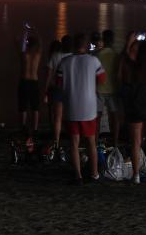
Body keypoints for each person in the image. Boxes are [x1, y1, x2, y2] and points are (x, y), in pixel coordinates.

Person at [55, 33, 106, 183]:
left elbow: (58, 84)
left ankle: (78, 175)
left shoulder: (64, 62)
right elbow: (102, 79)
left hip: (71, 107)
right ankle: (94, 173)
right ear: (87, 45)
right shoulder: (94, 61)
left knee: (74, 143)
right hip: (89, 108)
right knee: (91, 142)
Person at [122, 38, 146, 183]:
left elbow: (126, 56)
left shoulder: (134, 67)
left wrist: (130, 41)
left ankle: (136, 175)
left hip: (135, 104)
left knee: (136, 143)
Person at [45, 35, 72, 147]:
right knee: (72, 115)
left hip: (57, 88)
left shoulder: (55, 56)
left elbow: (49, 75)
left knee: (57, 117)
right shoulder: (74, 56)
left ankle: (56, 141)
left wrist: (45, 91)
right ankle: (73, 138)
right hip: (71, 88)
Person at [96, 30, 122, 146]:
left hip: (99, 89)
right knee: (115, 117)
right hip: (113, 90)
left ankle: (95, 141)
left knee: (97, 117)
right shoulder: (116, 56)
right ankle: (115, 141)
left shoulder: (97, 55)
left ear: (103, 40)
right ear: (112, 40)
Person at [17, 30, 42, 133]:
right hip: (34, 82)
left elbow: (21, 44)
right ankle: (35, 128)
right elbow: (40, 43)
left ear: (27, 43)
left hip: (24, 81)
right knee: (35, 107)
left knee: (23, 106)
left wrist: (25, 34)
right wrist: (35, 32)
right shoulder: (38, 55)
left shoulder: (24, 54)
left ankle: (23, 126)